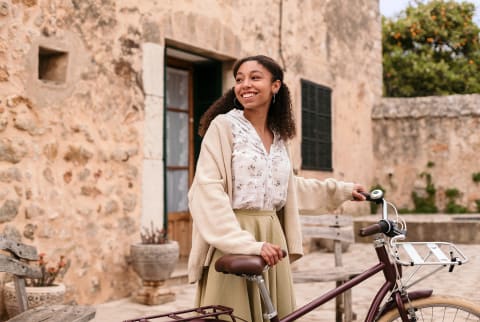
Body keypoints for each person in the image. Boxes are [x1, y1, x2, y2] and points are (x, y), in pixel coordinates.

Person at [187, 54, 366, 322]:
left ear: (275, 86)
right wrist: (247, 245)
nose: (245, 84)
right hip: (233, 236)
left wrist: (341, 191)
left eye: (255, 77)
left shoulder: (280, 136)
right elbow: (207, 190)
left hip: (272, 239)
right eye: (239, 79)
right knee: (234, 315)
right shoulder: (224, 127)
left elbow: (287, 187)